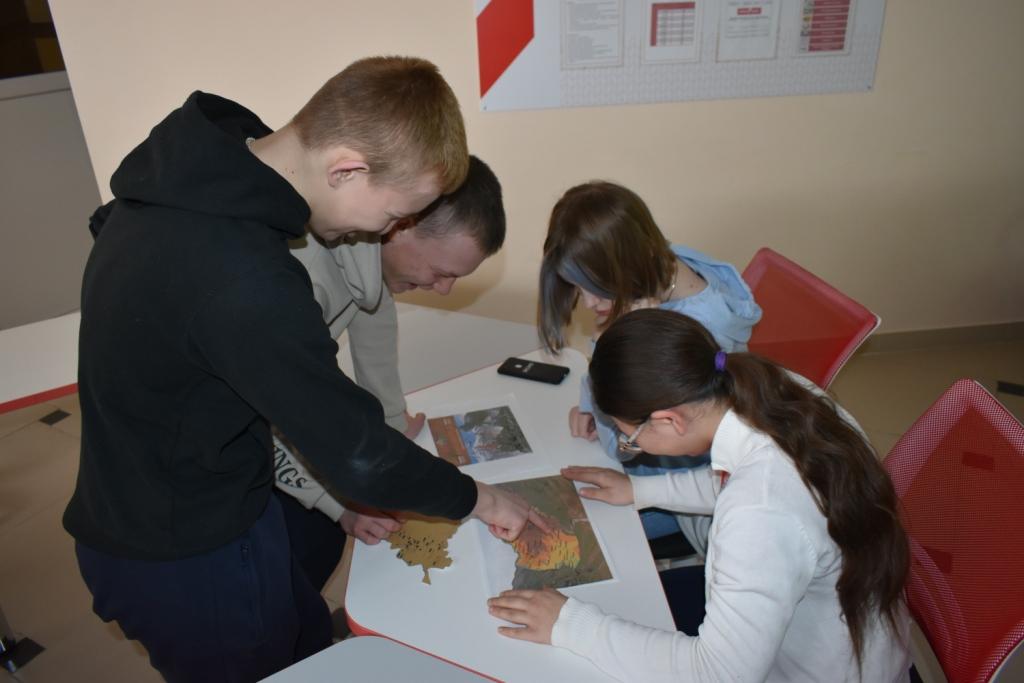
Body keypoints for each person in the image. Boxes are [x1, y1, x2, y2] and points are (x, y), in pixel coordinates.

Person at [64, 56, 543, 682]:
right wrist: (480, 499)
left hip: (219, 498)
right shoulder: (244, 276)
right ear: (347, 168)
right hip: (182, 550)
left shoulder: (193, 185)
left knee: (308, 640)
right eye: (394, 215)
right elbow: (357, 452)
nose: (386, 232)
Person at [488, 309, 912, 682]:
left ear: (669, 420)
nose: (630, 444)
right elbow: (740, 480)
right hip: (849, 635)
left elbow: (716, 673)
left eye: (629, 435)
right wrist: (641, 488)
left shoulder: (759, 513)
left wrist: (570, 624)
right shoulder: (781, 392)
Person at [274, 155, 506, 590]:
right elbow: (266, 413)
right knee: (296, 564)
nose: (444, 289)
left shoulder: (368, 254)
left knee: (329, 546)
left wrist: (392, 423)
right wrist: (334, 502)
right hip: (201, 460)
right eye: (441, 273)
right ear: (402, 225)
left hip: (283, 418)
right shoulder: (298, 279)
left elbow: (375, 330)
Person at [538, 181, 761, 550]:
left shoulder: (691, 332)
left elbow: (622, 444)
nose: (588, 303)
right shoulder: (666, 263)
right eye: (577, 287)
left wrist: (618, 341)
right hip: (669, 464)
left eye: (596, 287)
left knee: (573, 532)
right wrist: (593, 401)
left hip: (688, 490)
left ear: (629, 266)